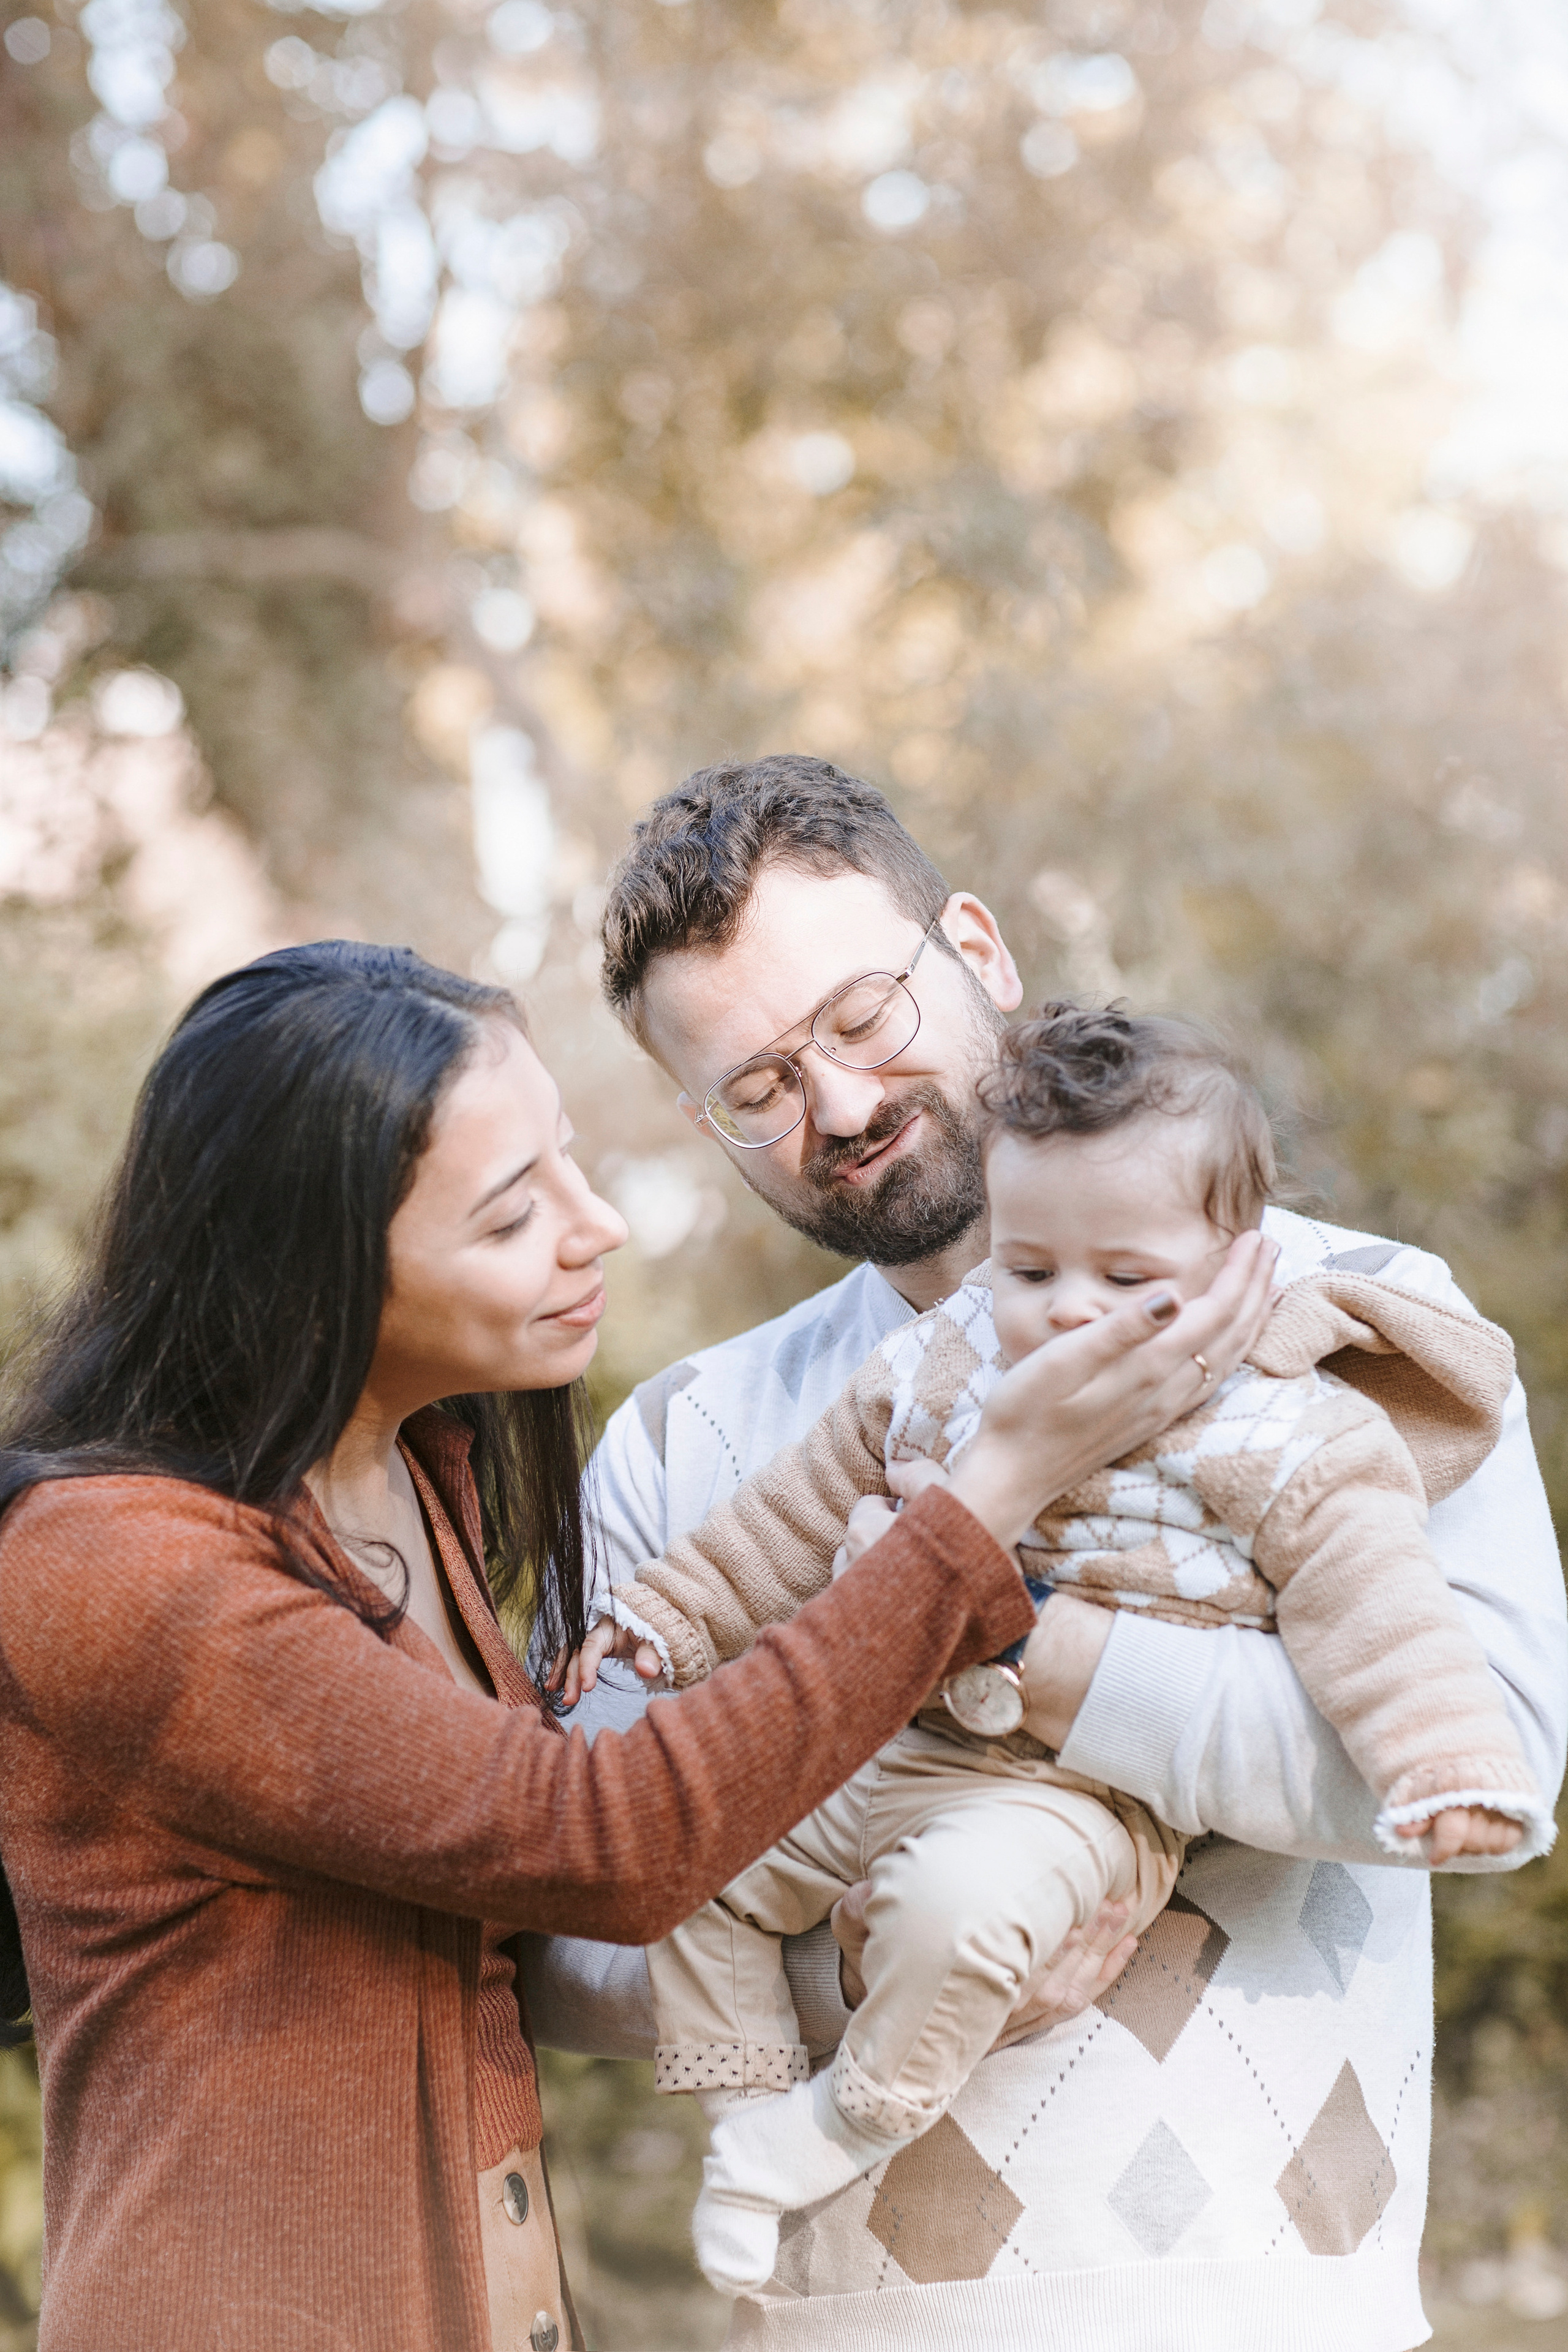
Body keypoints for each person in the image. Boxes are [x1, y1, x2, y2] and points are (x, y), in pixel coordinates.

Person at [0, 943, 1263, 2352]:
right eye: (507, 1216)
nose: (595, 1227)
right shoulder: (113, 1563)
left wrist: (933, 1911)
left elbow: (525, 1919)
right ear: (309, 1273)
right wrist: (976, 1509)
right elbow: (602, 1843)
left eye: (571, 1163)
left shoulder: (420, 1479)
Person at [527, 758, 1567, 2352]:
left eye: (866, 1016)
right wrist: (894, 1966)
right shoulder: (689, 1442)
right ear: (701, 1121)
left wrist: (1042, 1670)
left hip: (1275, 2314)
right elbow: (566, 1936)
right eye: (759, 1088)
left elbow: (1491, 1788)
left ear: (978, 949)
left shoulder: (1356, 1320)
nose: (844, 1107)